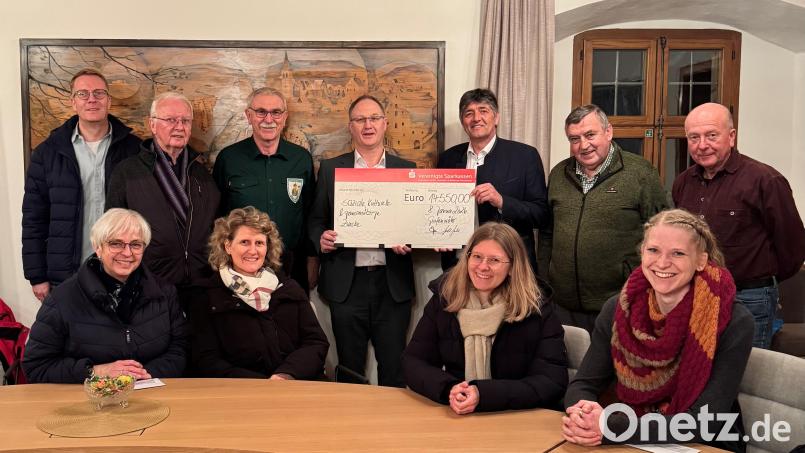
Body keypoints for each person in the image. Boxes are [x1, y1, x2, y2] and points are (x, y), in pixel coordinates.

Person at [562, 209, 754, 447]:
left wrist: (611, 427)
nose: (662, 263)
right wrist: (583, 415)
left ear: (701, 261)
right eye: (653, 250)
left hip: (704, 443)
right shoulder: (619, 307)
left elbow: (707, 422)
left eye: (678, 253)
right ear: (642, 252)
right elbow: (583, 385)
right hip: (626, 436)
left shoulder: (734, 320)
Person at [673, 102, 805, 349]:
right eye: (694, 137)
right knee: (701, 370)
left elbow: (793, 248)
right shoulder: (683, 182)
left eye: (712, 135)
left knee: (748, 373)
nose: (702, 145)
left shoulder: (765, 180)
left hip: (750, 298)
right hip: (697, 295)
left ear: (731, 136)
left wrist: (762, 280)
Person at [403, 222, 567, 414]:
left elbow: (551, 382)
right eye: (477, 257)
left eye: (494, 260)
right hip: (456, 412)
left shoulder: (537, 308)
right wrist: (450, 389)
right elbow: (412, 362)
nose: (483, 266)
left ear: (513, 267)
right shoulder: (445, 298)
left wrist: (483, 395)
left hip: (517, 417)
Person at [308, 94, 415, 387]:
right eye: (360, 119)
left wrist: (409, 239)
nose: (368, 125)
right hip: (347, 284)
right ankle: (351, 430)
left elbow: (415, 224)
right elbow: (315, 219)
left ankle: (393, 431)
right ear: (350, 126)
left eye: (374, 118)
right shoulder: (330, 169)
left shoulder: (406, 167)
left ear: (385, 124)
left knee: (394, 366)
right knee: (350, 368)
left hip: (391, 284)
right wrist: (321, 238)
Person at [538, 104, 668, 332]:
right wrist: (545, 279)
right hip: (562, 305)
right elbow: (548, 233)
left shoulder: (641, 173)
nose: (583, 145)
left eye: (590, 135)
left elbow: (661, 235)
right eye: (574, 139)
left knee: (614, 367)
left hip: (620, 303)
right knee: (568, 364)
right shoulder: (559, 174)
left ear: (608, 132)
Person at [22, 208, 188, 383]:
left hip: (152, 393)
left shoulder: (165, 292)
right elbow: (36, 366)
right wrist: (95, 371)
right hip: (90, 402)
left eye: (136, 244)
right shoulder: (62, 299)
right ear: (97, 247)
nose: (127, 253)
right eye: (116, 243)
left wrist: (144, 374)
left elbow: (180, 348)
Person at [22, 68, 141, 302]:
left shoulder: (134, 150)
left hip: (121, 269)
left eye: (99, 93)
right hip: (66, 272)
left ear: (108, 100)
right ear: (73, 102)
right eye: (83, 94)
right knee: (71, 337)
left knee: (119, 336)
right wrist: (36, 275)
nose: (92, 99)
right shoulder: (47, 153)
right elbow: (33, 218)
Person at [106, 92, 220, 308]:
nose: (179, 126)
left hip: (200, 284)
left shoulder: (202, 174)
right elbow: (113, 234)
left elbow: (216, 228)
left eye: (185, 120)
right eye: (170, 120)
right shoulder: (127, 172)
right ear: (153, 124)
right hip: (148, 285)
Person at [189, 207, 328, 379]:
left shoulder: (289, 288)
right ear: (228, 246)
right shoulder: (206, 296)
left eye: (259, 243)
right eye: (245, 242)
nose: (253, 251)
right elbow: (206, 359)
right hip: (239, 393)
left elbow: (315, 342)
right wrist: (262, 385)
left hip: (295, 384)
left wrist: (286, 375)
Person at [214, 88, 317, 290]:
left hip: (291, 267)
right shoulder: (228, 159)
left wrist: (313, 260)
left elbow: (310, 214)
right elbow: (217, 218)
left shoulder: (301, 159)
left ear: (285, 117)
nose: (269, 119)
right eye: (261, 112)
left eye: (276, 112)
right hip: (242, 268)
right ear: (249, 115)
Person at [438, 88, 548, 272]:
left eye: (483, 111)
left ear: (496, 118)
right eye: (469, 113)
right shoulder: (447, 158)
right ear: (463, 121)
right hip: (459, 266)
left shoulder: (524, 156)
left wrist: (502, 201)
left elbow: (541, 214)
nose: (476, 118)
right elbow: (437, 209)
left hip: (509, 266)